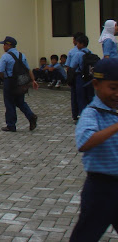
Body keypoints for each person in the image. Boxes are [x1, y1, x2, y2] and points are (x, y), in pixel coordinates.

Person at [69, 58, 118, 241]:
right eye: (113, 88)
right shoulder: (92, 113)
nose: (117, 94)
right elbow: (85, 141)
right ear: (96, 84)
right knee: (86, 235)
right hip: (100, 189)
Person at [0, 36, 39, 132]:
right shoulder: (21, 55)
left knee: (9, 103)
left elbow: (0, 71)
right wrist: (33, 80)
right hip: (21, 82)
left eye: (4, 44)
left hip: (10, 81)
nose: (3, 46)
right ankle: (31, 116)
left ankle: (11, 125)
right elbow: (28, 69)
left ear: (8, 45)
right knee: (20, 102)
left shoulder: (5, 56)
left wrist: (4, 79)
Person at [69, 34, 95, 119]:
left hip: (80, 77)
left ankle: (81, 114)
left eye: (78, 43)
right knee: (89, 96)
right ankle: (92, 114)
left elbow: (72, 67)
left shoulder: (78, 54)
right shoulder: (90, 53)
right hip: (90, 77)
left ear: (82, 44)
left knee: (80, 97)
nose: (77, 45)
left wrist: (69, 79)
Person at [68, 32, 85, 123]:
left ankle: (76, 115)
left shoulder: (74, 52)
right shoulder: (89, 52)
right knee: (84, 96)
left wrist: (69, 79)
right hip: (87, 77)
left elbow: (70, 66)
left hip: (77, 76)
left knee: (76, 96)